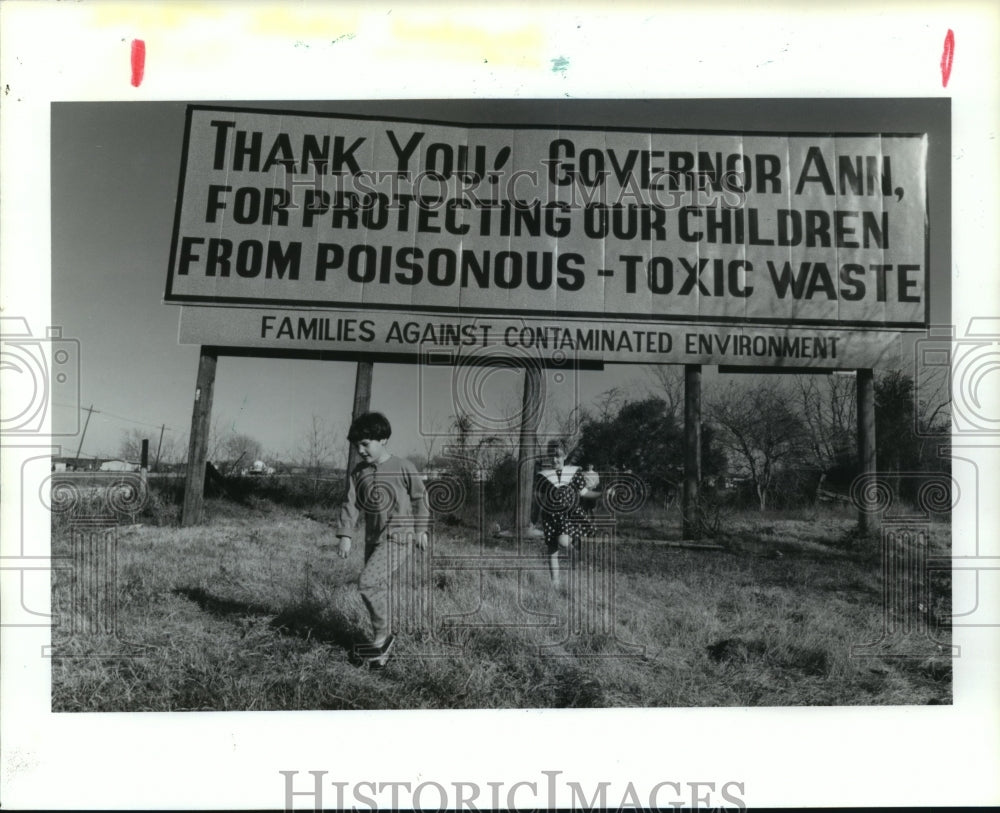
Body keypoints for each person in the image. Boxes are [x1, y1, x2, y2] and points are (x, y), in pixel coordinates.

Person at [335, 411, 429, 669]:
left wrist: (421, 530)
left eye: (365, 444)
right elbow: (351, 504)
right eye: (357, 446)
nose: (361, 450)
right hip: (372, 539)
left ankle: (381, 638)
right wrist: (345, 535)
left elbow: (421, 498)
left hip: (400, 537)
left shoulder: (403, 466)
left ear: (383, 439)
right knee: (378, 589)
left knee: (367, 582)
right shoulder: (358, 472)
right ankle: (381, 653)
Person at [535, 440, 598, 589]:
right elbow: (537, 498)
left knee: (563, 542)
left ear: (565, 456)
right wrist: (533, 519)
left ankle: (577, 553)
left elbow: (584, 492)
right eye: (551, 455)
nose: (554, 459)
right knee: (552, 549)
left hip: (567, 515)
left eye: (558, 456)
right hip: (550, 516)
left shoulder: (574, 473)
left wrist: (600, 495)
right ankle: (555, 582)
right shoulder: (543, 476)